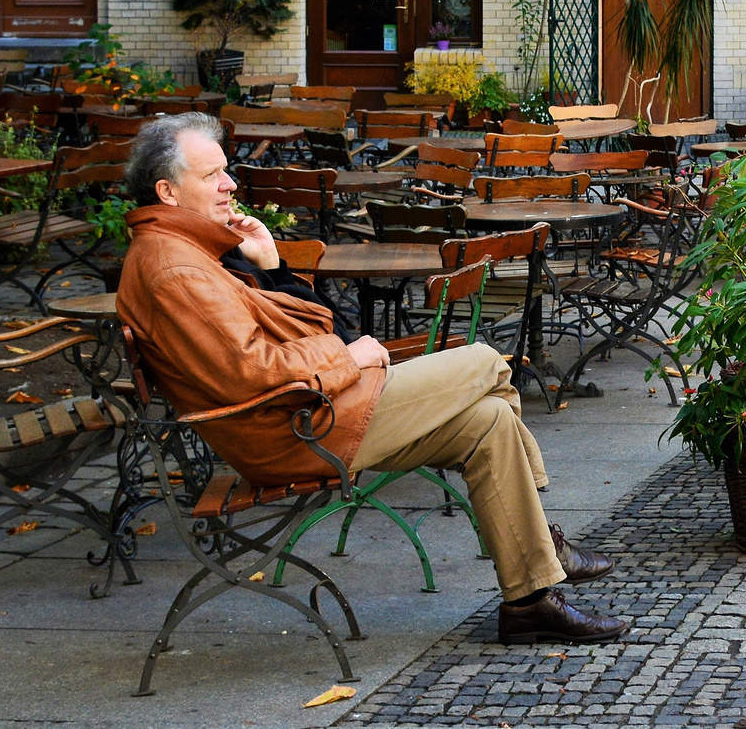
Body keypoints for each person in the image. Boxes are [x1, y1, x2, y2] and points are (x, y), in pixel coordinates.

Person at [116, 112, 625, 644]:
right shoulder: (176, 269)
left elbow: (312, 324)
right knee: (485, 361)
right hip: (292, 430)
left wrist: (271, 265)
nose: (230, 184)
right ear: (167, 192)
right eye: (212, 175)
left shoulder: (192, 252)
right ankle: (547, 541)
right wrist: (350, 360)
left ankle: (529, 604)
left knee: (489, 419)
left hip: (307, 412)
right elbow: (253, 374)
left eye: (226, 171)